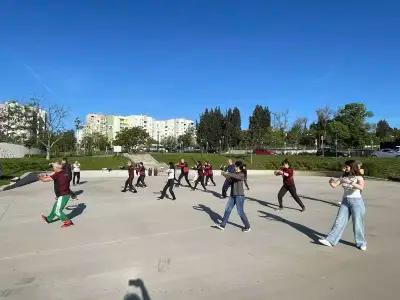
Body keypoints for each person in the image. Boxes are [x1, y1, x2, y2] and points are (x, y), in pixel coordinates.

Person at [319, 160, 367, 251]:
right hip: (345, 201)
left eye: (347, 167)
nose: (345, 168)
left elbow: (361, 187)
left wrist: (351, 182)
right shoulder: (343, 176)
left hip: (356, 202)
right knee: (339, 221)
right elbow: (334, 185)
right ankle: (330, 240)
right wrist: (331, 182)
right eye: (345, 166)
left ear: (352, 167)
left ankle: (361, 243)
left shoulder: (358, 177)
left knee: (357, 223)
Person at [215, 161, 251, 232]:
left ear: (238, 167)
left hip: (239, 196)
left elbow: (236, 176)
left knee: (240, 211)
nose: (234, 167)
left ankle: (247, 227)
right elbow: (230, 179)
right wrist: (224, 174)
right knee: (227, 209)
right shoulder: (234, 174)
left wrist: (228, 173)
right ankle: (222, 225)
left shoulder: (242, 174)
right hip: (232, 195)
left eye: (235, 166)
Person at [38, 161, 74, 228]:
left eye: (53, 167)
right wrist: (53, 164)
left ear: (57, 168)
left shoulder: (57, 174)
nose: (53, 168)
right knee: (55, 207)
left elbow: (45, 180)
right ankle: (48, 219)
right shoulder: (65, 172)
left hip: (63, 195)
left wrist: (40, 178)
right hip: (64, 194)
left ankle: (68, 222)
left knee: (57, 211)